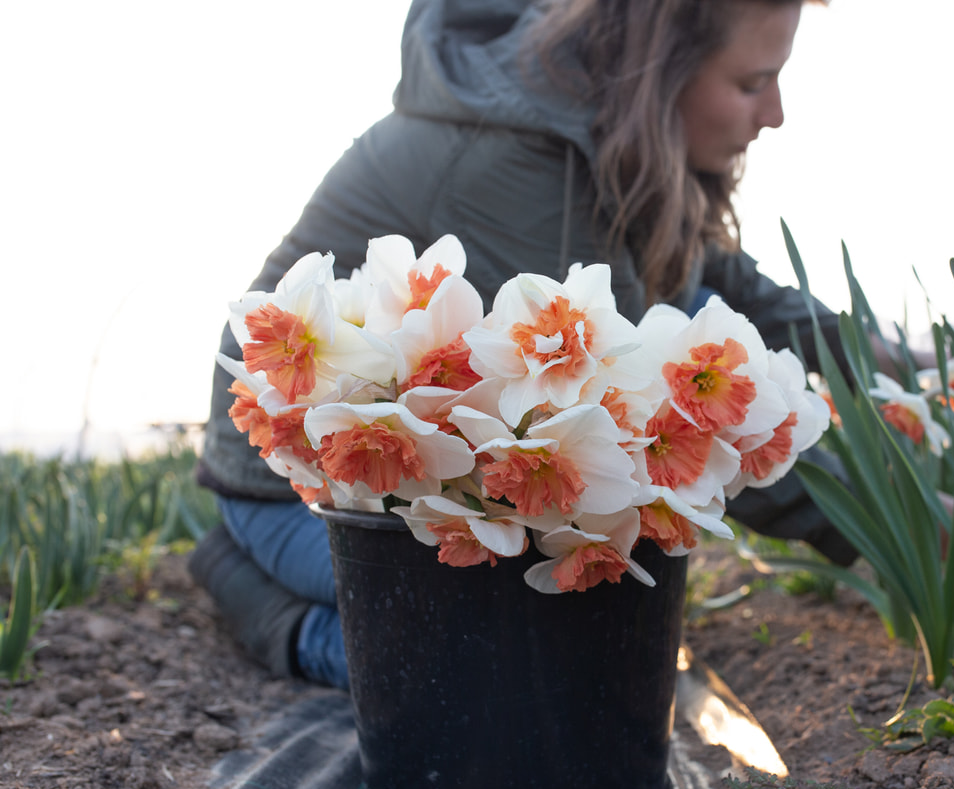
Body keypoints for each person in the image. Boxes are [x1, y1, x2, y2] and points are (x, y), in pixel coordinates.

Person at [191, 0, 892, 689]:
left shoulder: (607, 134)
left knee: (694, 308)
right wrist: (894, 519)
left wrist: (898, 361)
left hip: (399, 472)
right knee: (498, 667)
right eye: (750, 83)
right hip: (299, 481)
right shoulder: (526, 166)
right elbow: (647, 422)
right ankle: (253, 590)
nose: (774, 114)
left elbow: (738, 290)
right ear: (662, 70)